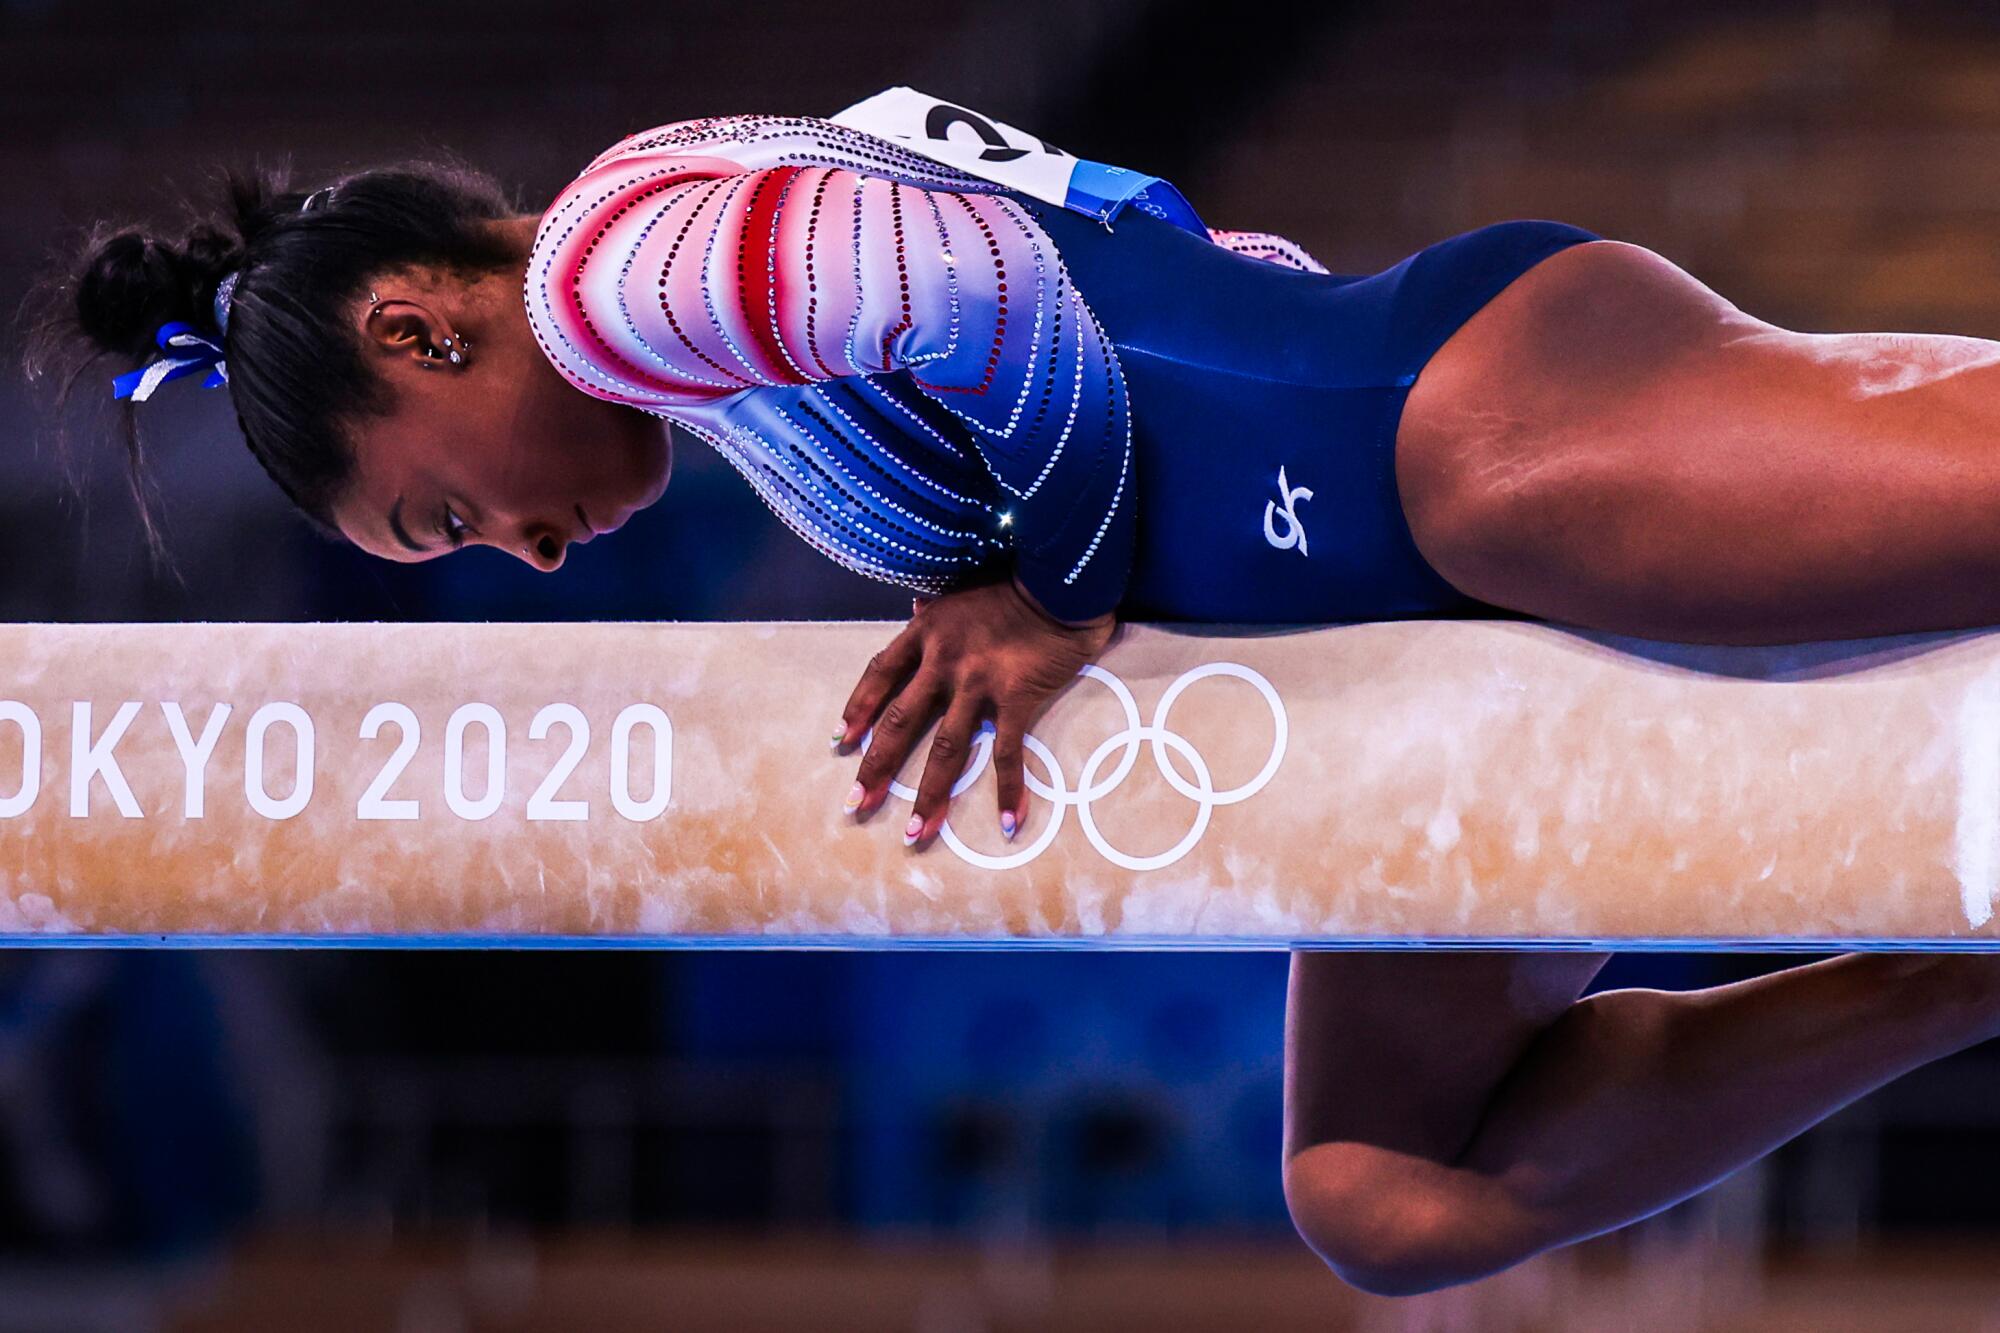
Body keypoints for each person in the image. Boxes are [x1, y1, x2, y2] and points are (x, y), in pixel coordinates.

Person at [27, 110, 2000, 1294]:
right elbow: (1163, 244)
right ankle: (1966, 967)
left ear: (416, 322)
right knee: (1390, 1192)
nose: (517, 552)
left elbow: (997, 288)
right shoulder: (701, 300)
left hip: (1448, 440)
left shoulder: (625, 268)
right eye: (453, 553)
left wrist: (1052, 584)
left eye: (443, 504)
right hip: (1381, 590)